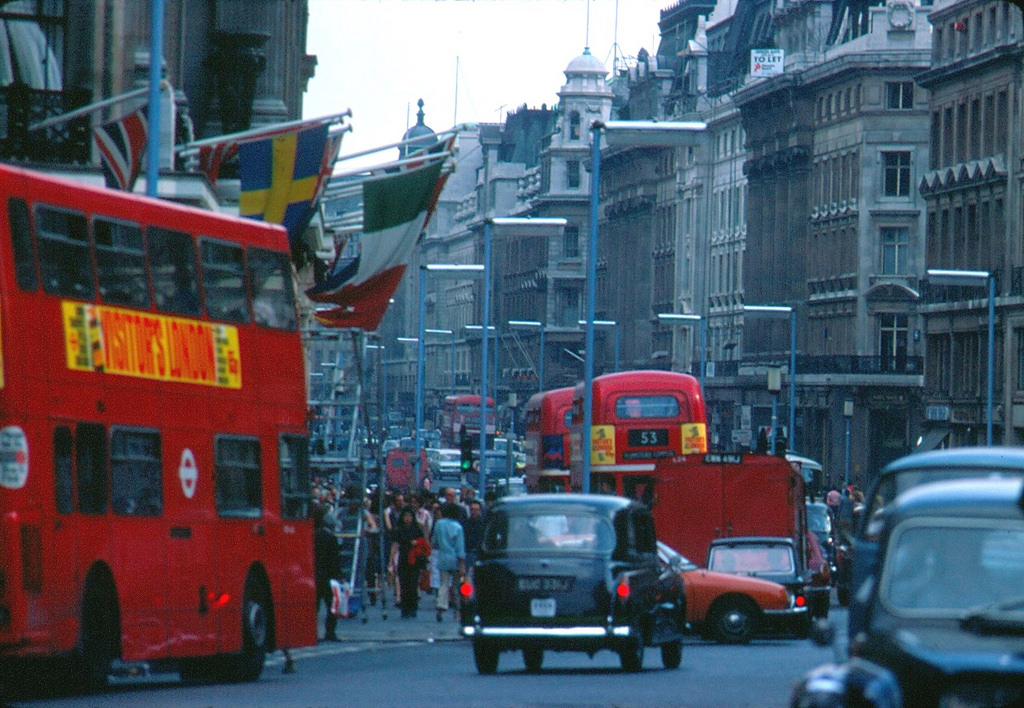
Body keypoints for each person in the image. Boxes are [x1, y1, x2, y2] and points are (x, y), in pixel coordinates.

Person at [430, 502, 467, 621]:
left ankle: (441, 607)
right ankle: (457, 611)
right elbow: (460, 548)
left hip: (443, 558)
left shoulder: (439, 524)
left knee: (443, 584)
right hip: (455, 559)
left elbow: (434, 542)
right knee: (456, 587)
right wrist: (462, 564)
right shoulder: (458, 527)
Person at [389, 506, 427, 619]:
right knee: (404, 584)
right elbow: (395, 545)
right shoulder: (399, 530)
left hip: (415, 558)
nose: (407, 518)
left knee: (413, 584)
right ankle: (405, 608)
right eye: (405, 516)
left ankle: (413, 607)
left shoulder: (417, 530)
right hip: (403, 558)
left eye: (409, 516)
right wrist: (391, 560)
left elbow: (423, 543)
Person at [313, 505, 341, 641]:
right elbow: (335, 559)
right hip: (328, 576)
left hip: (314, 575)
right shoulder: (330, 538)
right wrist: (339, 575)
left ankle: (313, 632)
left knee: (314, 606)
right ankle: (330, 632)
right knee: (332, 605)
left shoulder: (311, 536)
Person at [462, 499, 485, 581]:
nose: (474, 512)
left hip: (481, 555)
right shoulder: (465, 524)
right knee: (467, 578)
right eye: (472, 510)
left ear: (480, 511)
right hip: (468, 553)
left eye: (476, 510)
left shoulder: (485, 525)